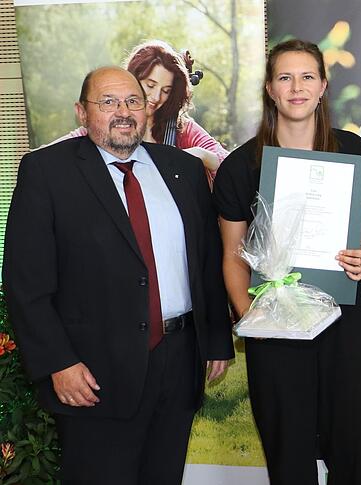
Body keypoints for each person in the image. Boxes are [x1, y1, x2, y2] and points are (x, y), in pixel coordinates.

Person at [2, 66, 234, 484]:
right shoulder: (46, 172)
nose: (123, 112)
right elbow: (26, 284)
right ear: (81, 112)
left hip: (179, 361)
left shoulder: (183, 170)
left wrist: (216, 339)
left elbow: (205, 260)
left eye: (133, 101)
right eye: (108, 102)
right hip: (93, 371)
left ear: (148, 111)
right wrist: (58, 362)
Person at [212, 39, 361, 485]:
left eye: (307, 76)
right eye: (285, 77)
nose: (297, 87)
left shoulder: (351, 149)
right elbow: (232, 255)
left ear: (323, 85)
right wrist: (254, 318)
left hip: (342, 318)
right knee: (289, 458)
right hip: (277, 329)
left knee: (351, 450)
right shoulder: (240, 166)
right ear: (270, 88)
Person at [50, 40, 228, 183]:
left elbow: (228, 162)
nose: (156, 97)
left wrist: (201, 155)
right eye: (150, 85)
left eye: (166, 90)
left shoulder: (183, 129)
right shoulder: (106, 125)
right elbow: (44, 158)